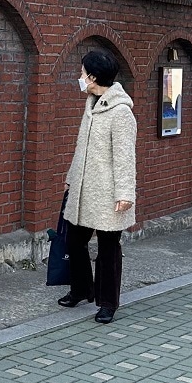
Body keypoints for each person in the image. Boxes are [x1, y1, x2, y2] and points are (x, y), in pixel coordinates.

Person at [60, 47, 137, 325]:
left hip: (108, 192)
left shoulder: (121, 113)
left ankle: (108, 303)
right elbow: (83, 147)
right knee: (74, 240)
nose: (80, 77)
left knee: (108, 248)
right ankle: (82, 289)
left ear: (92, 77)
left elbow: (125, 156)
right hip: (83, 188)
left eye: (82, 73)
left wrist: (126, 193)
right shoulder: (91, 104)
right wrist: (71, 175)